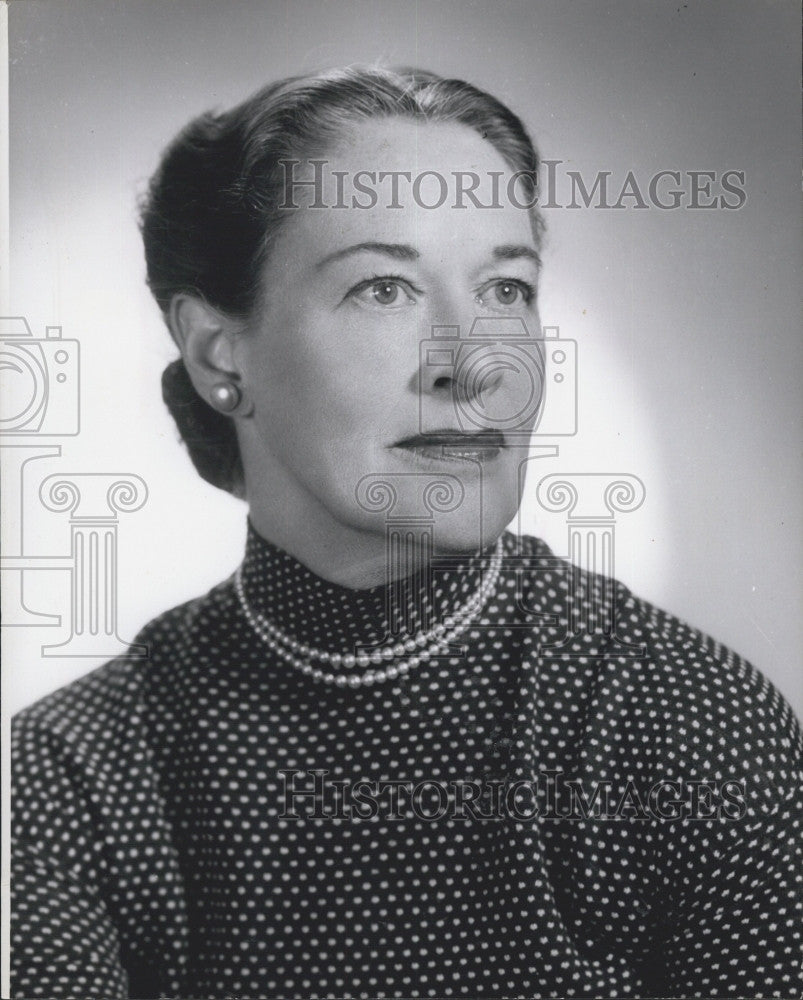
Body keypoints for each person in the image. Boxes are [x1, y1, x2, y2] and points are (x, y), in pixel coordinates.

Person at [11, 65, 802, 1000]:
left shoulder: (686, 725)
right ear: (219, 352)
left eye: (506, 290)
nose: (473, 368)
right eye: (384, 288)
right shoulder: (69, 780)